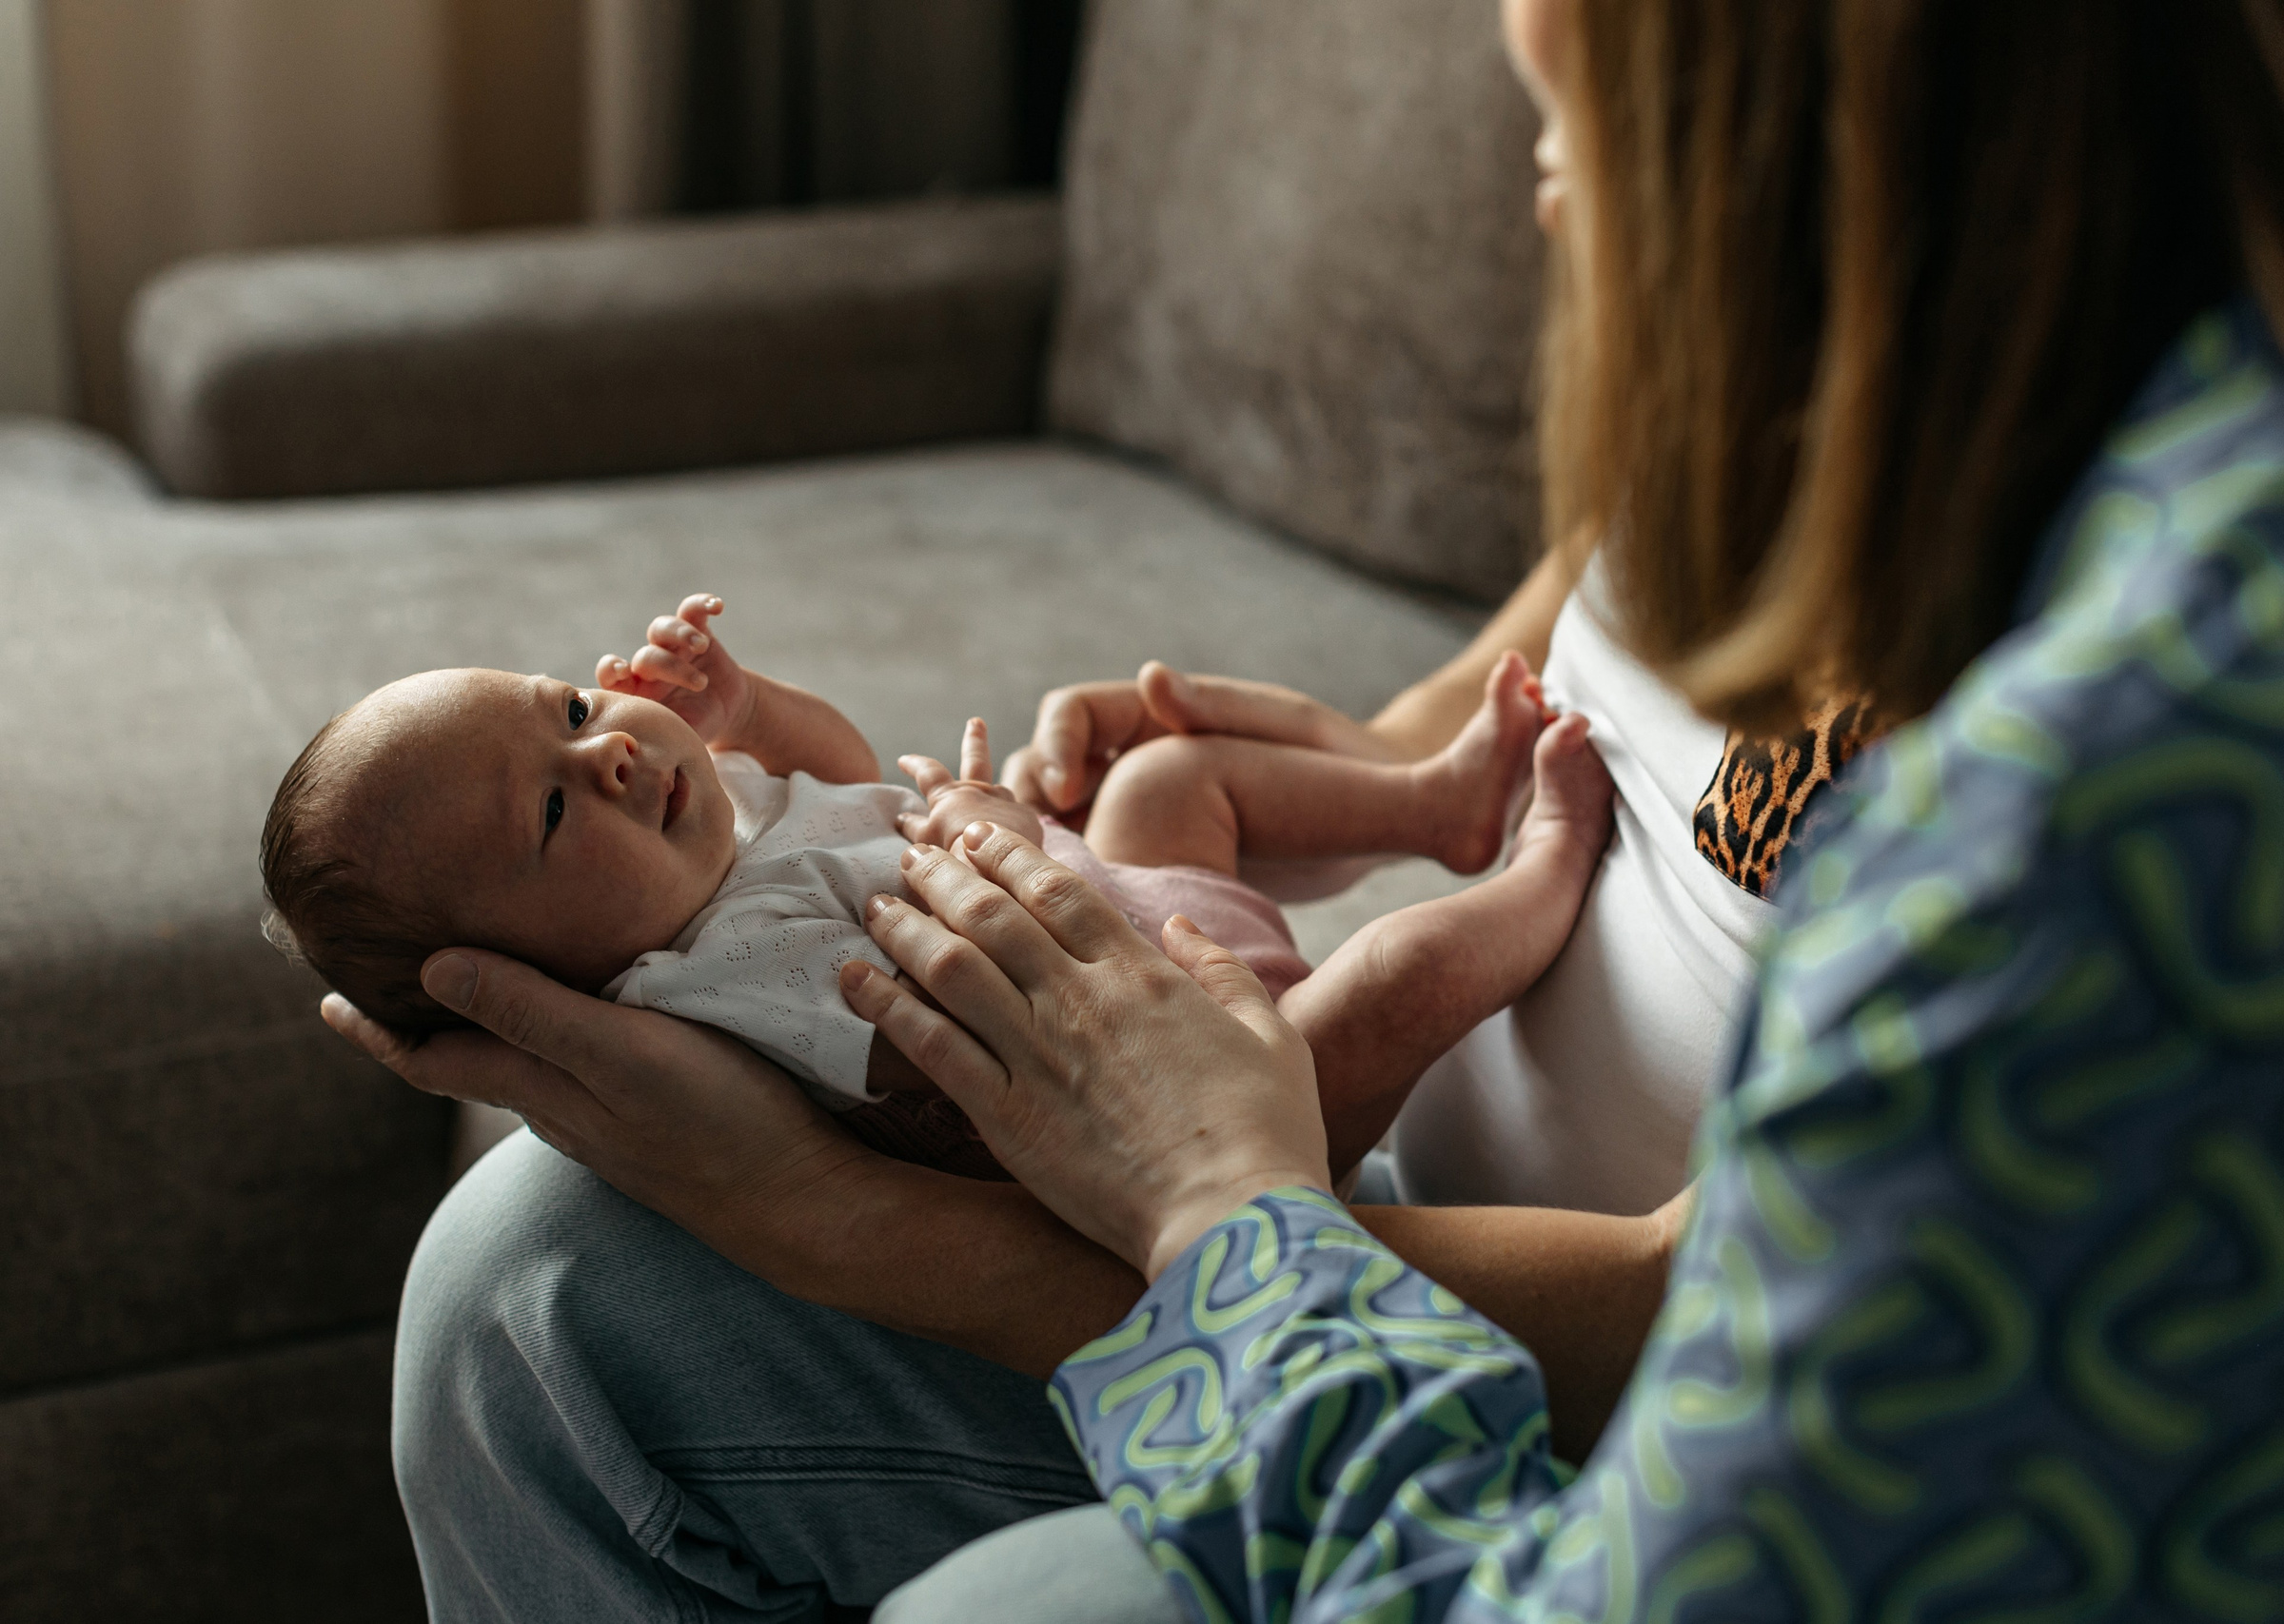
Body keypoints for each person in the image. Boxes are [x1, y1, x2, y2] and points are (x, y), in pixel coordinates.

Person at [820, 0, 2284, 1617]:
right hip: (1349, 1221)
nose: (1543, 186)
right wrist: (1375, 762)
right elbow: (1552, 664)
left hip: (1575, 1396)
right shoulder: (1844, 348)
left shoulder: (2082, 819)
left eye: (1579, 123)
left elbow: (1662, 1446)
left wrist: (1153, 1210)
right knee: (542, 1277)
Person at [264, 590, 1609, 1177]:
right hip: (1225, 1091)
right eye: (553, 809)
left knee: (1160, 784)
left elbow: (856, 777)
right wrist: (991, 839)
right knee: (1397, 975)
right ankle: (1551, 873)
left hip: (1156, 932)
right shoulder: (716, 986)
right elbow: (964, 1034)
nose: (611, 753)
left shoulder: (724, 844)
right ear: (531, 981)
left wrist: (751, 705)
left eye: (566, 706)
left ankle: (1439, 802)